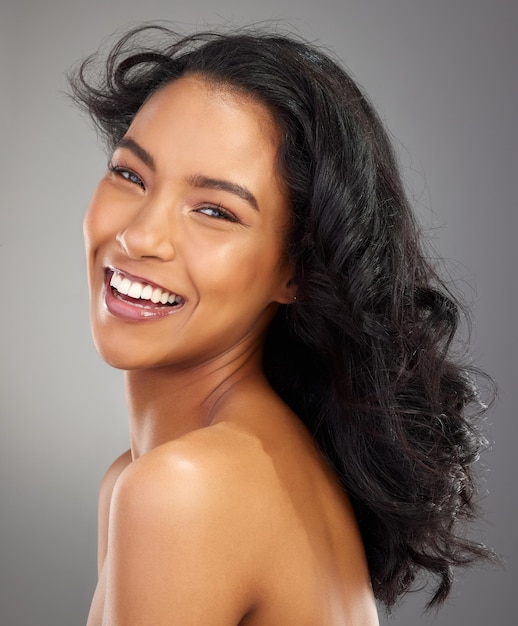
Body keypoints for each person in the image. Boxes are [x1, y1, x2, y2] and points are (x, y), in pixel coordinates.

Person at [69, 23, 493, 625]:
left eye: (215, 211)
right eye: (131, 175)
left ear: (294, 271)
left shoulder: (183, 490)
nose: (139, 235)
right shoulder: (157, 476)